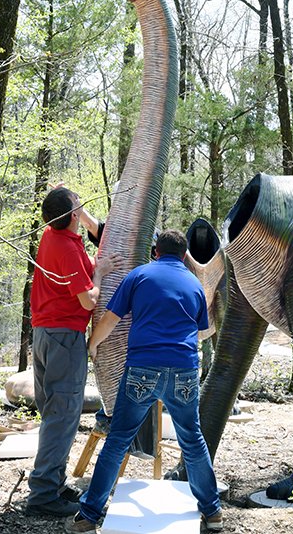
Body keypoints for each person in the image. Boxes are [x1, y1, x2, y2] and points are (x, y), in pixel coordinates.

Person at [65, 229, 223, 533]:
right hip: (184, 370)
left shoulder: (139, 276)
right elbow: (202, 329)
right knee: (192, 439)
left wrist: (93, 344)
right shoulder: (194, 284)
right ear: (184, 256)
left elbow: (111, 318)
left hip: (143, 369)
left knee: (118, 440)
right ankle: (213, 513)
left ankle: (88, 515)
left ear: (156, 252)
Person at [26, 187, 120, 517]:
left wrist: (95, 264)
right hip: (63, 337)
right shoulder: (65, 246)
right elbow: (88, 299)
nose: (82, 210)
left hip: (47, 334)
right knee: (63, 415)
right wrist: (100, 272)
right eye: (78, 206)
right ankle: (42, 496)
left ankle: (52, 483)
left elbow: (74, 277)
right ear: (73, 215)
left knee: (57, 413)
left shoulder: (54, 237)